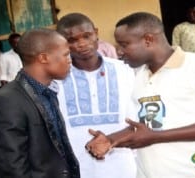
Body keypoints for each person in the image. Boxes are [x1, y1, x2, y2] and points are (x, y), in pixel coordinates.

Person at [85, 12, 195, 178]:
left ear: (148, 40)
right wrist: (111, 140)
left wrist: (156, 137)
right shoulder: (136, 75)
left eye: (124, 44)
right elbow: (148, 125)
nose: (119, 52)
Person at [0, 28, 80, 178]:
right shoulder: (6, 102)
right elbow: (12, 167)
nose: (70, 60)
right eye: (66, 54)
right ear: (43, 58)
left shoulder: (47, 92)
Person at [56, 13, 136, 178]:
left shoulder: (124, 70)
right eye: (72, 40)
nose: (82, 44)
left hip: (122, 162)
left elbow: (136, 118)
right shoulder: (56, 78)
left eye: (87, 36)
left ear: (96, 33)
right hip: (75, 165)